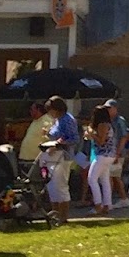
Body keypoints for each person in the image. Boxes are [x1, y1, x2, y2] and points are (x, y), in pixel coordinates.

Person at [42, 96, 82, 225]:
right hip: (52, 156)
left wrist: (59, 144)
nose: (50, 113)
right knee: (52, 185)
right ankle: (55, 215)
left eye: (51, 110)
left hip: (63, 156)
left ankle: (63, 217)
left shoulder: (67, 120)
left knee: (61, 186)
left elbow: (74, 139)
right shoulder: (57, 120)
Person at [87, 106, 119, 214]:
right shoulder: (109, 125)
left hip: (103, 155)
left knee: (92, 179)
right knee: (105, 180)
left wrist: (91, 134)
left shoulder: (102, 125)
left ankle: (98, 205)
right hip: (109, 155)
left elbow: (101, 141)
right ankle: (107, 205)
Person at [104, 99, 129, 208]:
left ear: (115, 108)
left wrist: (117, 153)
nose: (107, 110)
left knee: (110, 176)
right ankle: (123, 199)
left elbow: (124, 138)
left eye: (109, 108)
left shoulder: (120, 120)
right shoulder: (108, 120)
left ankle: (108, 203)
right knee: (115, 177)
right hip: (111, 152)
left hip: (117, 153)